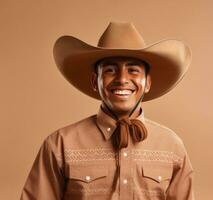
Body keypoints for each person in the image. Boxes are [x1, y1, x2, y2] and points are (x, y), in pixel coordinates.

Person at [20, 21, 194, 200]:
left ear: (147, 82)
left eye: (133, 70)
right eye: (110, 70)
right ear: (95, 81)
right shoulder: (59, 145)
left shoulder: (172, 147)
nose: (122, 79)